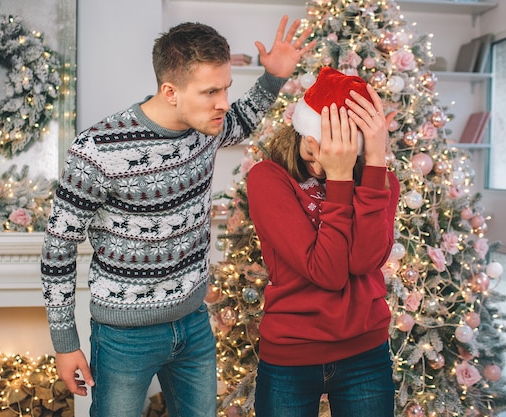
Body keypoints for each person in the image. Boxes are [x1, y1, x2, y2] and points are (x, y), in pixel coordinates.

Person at [40, 16, 313, 417]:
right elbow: (58, 249)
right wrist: (65, 343)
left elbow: (244, 118)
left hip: (194, 324)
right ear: (170, 91)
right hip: (123, 337)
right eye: (210, 92)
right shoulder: (97, 150)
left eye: (226, 88)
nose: (223, 102)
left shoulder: (209, 127)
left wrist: (273, 76)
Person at [247, 66, 400, 417]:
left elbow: (364, 261)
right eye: (311, 151)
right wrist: (342, 177)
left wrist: (374, 162)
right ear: (299, 132)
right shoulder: (268, 178)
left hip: (366, 352)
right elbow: (327, 272)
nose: (319, 167)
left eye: (334, 156)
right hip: (291, 354)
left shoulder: (380, 181)